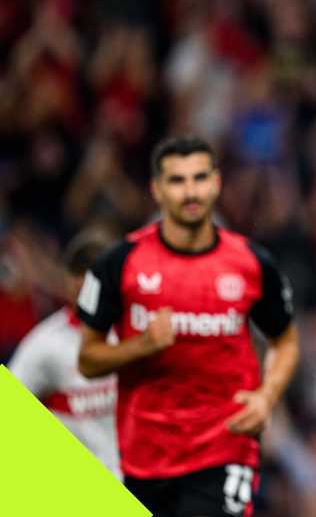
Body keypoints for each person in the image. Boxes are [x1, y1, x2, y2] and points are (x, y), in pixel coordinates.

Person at [76, 136, 300, 517]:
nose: (190, 191)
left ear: (216, 183)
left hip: (225, 446)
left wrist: (267, 396)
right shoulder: (120, 264)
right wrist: (141, 345)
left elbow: (286, 340)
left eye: (199, 178)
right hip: (143, 456)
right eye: (177, 181)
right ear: (157, 190)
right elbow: (88, 359)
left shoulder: (250, 262)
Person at [8, 228, 120, 478]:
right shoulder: (46, 343)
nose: (86, 281)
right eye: (78, 271)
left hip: (143, 484)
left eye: (96, 270)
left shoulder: (139, 330)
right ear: (66, 279)